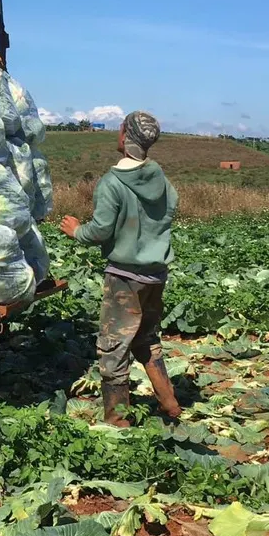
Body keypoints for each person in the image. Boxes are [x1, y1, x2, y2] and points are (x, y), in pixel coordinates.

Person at [60, 111, 182, 426]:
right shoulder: (161, 179)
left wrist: (76, 231)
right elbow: (169, 209)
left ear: (124, 134)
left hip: (125, 279)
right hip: (156, 275)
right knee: (146, 338)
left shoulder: (112, 183)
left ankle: (117, 420)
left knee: (113, 348)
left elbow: (100, 230)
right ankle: (169, 402)